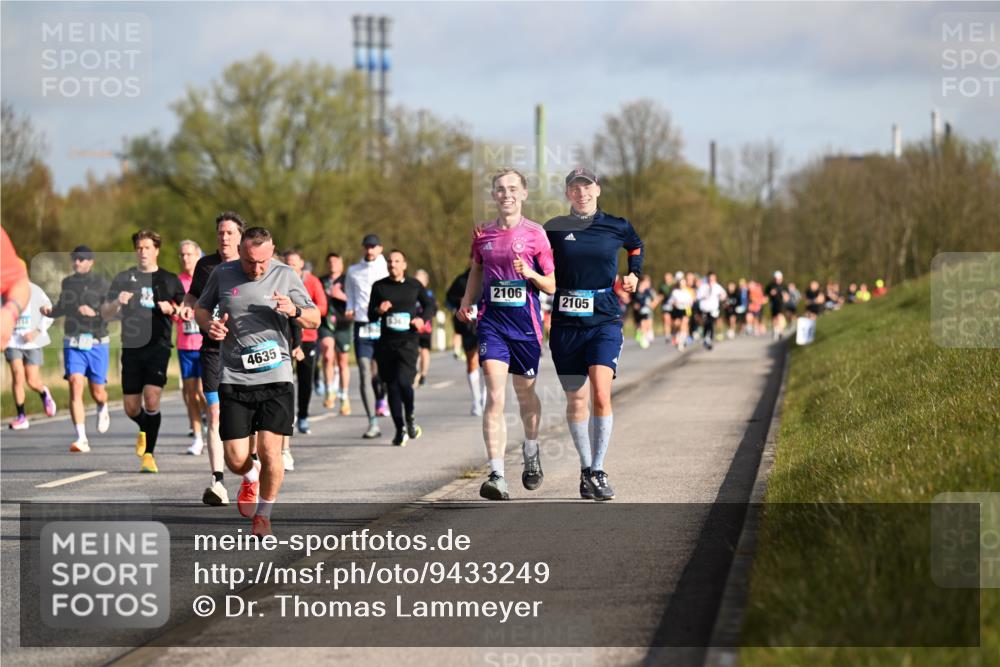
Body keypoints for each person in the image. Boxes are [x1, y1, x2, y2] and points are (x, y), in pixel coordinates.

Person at [195, 226, 319, 536]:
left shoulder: (286, 274)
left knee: (269, 450)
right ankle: (250, 477)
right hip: (235, 376)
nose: (258, 268)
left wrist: (294, 310)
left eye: (263, 261)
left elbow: (315, 317)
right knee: (236, 458)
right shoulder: (223, 274)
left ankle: (264, 514)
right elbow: (200, 309)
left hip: (276, 375)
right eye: (251, 262)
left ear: (272, 250)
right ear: (240, 252)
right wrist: (210, 326)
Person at [545, 168, 643, 501]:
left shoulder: (618, 225)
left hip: (604, 318)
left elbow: (635, 246)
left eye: (587, 187)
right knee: (577, 399)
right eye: (574, 188)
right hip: (566, 324)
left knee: (601, 391)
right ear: (567, 193)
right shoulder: (554, 229)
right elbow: (527, 251)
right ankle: (586, 470)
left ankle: (599, 469)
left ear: (597, 190)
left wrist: (634, 275)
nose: (581, 193)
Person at [458, 168, 556, 501]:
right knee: (495, 397)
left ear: (524, 194)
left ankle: (531, 450)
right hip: (492, 324)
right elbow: (476, 269)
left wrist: (529, 273)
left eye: (513, 188)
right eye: (500, 189)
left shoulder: (536, 235)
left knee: (525, 395)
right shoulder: (483, 235)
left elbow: (552, 284)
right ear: (493, 196)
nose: (507, 194)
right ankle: (497, 474)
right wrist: (466, 301)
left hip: (526, 326)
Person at [101, 230, 185, 473]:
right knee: (131, 407)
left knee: (151, 398)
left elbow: (185, 310)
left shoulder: (168, 279)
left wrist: (172, 308)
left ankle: (149, 455)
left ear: (156, 250)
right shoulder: (124, 278)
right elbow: (105, 313)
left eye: (148, 247)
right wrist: (118, 302)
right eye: (139, 247)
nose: (143, 252)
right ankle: (144, 427)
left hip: (158, 345)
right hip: (132, 347)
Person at [183, 212, 245, 505]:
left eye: (230, 233)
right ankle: (218, 482)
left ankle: (250, 472)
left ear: (240, 236)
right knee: (215, 414)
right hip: (211, 349)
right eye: (220, 232)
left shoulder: (249, 264)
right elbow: (193, 298)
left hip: (245, 351)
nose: (224, 238)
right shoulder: (205, 265)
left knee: (246, 417)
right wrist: (191, 310)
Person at [41, 245, 112, 451]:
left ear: (91, 262)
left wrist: (95, 312)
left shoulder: (102, 283)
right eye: (75, 259)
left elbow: (112, 312)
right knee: (75, 383)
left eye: (81, 259)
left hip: (98, 341)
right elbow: (62, 307)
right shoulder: (68, 283)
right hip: (73, 340)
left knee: (98, 391)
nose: (77, 262)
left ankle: (102, 406)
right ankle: (81, 438)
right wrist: (50, 312)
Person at [368, 250, 436, 446]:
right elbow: (371, 315)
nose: (393, 264)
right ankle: (400, 429)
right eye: (390, 261)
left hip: (408, 342)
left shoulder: (414, 285)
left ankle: (410, 416)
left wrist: (422, 320)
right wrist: (379, 310)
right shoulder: (379, 287)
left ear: (404, 265)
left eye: (397, 261)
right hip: (386, 343)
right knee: (391, 386)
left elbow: (429, 306)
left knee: (404, 382)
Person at [345, 234, 390, 439]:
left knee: (381, 373)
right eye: (367, 247)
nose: (370, 250)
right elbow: (351, 295)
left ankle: (383, 396)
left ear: (380, 248)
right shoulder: (354, 271)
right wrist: (349, 308)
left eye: (374, 247)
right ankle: (372, 421)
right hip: (362, 325)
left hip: (382, 324)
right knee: (364, 371)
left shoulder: (387, 268)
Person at [282, 249, 328, 435]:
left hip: (307, 338)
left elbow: (322, 308)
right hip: (285, 339)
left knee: (305, 379)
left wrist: (300, 311)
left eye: (294, 263)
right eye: (288, 263)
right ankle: (286, 415)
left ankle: (303, 416)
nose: (291, 267)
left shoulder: (312, 282)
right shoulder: (279, 281)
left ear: (301, 264)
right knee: (284, 381)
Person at [5, 277, 57, 429]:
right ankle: (21, 416)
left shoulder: (35, 290)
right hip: (12, 341)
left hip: (32, 341)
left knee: (32, 380)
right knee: (17, 375)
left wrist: (36, 332)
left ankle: (44, 393)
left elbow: (49, 312)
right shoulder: (4, 290)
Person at [176, 240, 208, 455]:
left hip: (206, 344)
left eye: (189, 254)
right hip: (185, 344)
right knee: (190, 393)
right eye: (182, 255)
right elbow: (172, 310)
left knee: (204, 393)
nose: (186, 258)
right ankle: (197, 437)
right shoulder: (176, 282)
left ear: (198, 256)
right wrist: (175, 311)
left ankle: (217, 423)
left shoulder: (207, 278)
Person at [446, 261, 485, 415]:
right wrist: (462, 302)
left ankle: (486, 399)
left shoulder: (492, 275)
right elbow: (449, 300)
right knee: (472, 361)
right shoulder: (462, 280)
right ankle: (476, 401)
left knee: (488, 362)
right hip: (469, 327)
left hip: (487, 324)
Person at [318, 252, 352, 415]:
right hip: (326, 324)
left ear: (341, 264)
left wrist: (341, 296)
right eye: (330, 262)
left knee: (343, 361)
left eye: (336, 262)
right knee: (327, 354)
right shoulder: (321, 281)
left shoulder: (348, 280)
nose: (332, 265)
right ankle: (330, 390)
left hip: (343, 324)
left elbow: (356, 300)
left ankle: (344, 396)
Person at [1, 227, 31, 351]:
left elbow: (19, 282)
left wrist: (10, 313)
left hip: (26, 340)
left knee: (27, 371)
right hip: (15, 341)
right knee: (18, 370)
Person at [413, 269, 435, 387]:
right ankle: (414, 372)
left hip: (425, 328)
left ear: (426, 282)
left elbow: (433, 310)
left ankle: (423, 374)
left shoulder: (429, 295)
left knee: (424, 351)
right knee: (415, 350)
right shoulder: (410, 293)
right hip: (412, 327)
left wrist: (424, 318)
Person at [696, 271, 727, 350]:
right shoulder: (703, 286)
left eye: (713, 278)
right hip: (704, 309)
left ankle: (709, 339)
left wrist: (722, 297)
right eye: (710, 278)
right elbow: (698, 296)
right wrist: (704, 295)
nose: (711, 279)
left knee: (711, 323)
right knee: (706, 324)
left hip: (714, 309)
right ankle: (706, 338)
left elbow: (724, 295)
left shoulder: (717, 287)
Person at [665, 276, 693, 351]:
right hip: (677, 310)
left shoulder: (687, 292)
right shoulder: (675, 292)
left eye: (683, 284)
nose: (682, 285)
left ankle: (681, 341)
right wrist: (674, 303)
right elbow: (669, 302)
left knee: (684, 324)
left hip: (685, 310)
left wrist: (687, 304)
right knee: (677, 324)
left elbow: (691, 302)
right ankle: (676, 335)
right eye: (681, 284)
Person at [765, 270, 790, 339]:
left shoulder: (784, 286)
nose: (777, 280)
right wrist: (770, 293)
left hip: (781, 304)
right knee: (774, 318)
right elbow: (766, 295)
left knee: (780, 316)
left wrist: (785, 297)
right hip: (773, 303)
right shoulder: (771, 285)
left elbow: (787, 296)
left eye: (779, 279)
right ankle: (775, 330)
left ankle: (780, 331)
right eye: (776, 279)